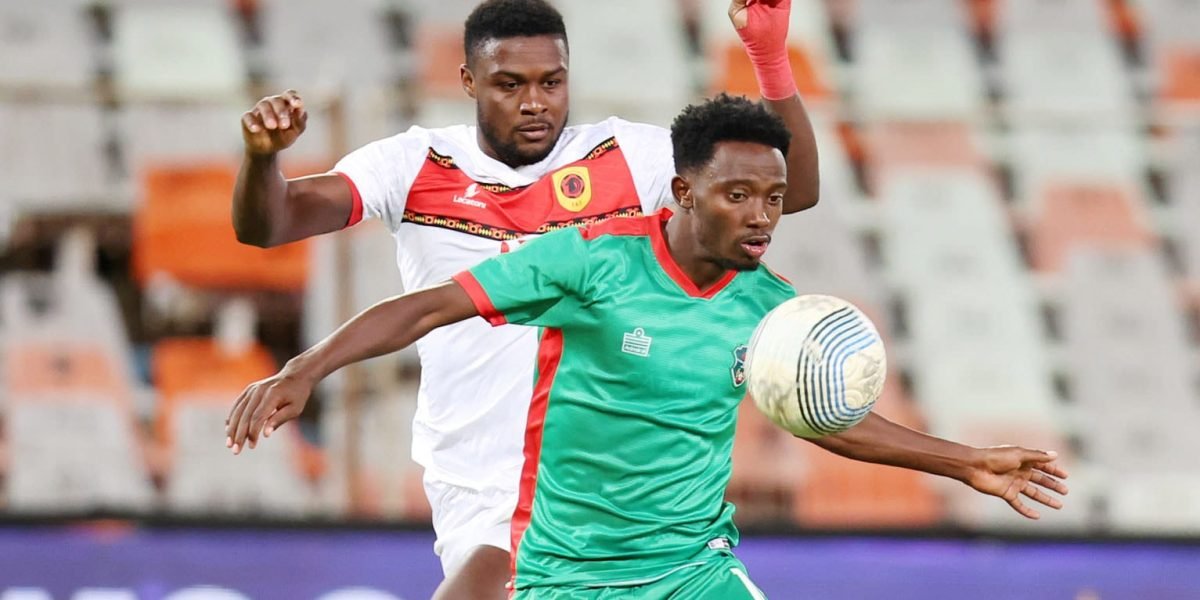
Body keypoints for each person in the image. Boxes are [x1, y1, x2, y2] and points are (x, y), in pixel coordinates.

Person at [225, 95, 1069, 599]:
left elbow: (827, 419)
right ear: (683, 191)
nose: (762, 217)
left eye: (774, 199)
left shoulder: (772, 311)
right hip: (564, 574)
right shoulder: (591, 261)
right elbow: (431, 307)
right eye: (738, 195)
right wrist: (308, 367)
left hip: (691, 570)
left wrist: (964, 463)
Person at [229, 0, 819, 597]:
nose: (535, 102)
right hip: (475, 477)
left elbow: (786, 190)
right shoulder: (413, 164)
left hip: (590, 479)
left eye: (551, 82)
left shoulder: (627, 157)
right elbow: (271, 223)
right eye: (510, 85)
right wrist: (262, 158)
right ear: (469, 81)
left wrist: (768, 58)